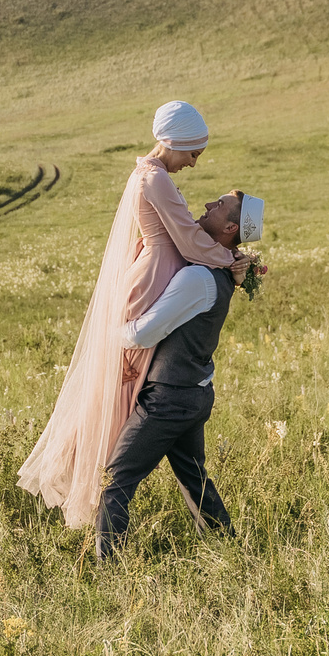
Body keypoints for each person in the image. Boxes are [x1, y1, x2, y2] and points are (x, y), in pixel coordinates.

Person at [18, 101, 242, 530]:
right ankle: (92, 472)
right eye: (193, 152)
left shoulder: (153, 175)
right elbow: (190, 243)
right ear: (173, 143)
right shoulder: (154, 179)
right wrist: (229, 260)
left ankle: (111, 482)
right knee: (128, 373)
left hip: (162, 269)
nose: (195, 163)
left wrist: (228, 256)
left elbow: (191, 240)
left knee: (134, 384)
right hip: (156, 271)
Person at [96, 191, 265, 562]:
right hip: (193, 393)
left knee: (116, 480)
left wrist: (105, 332)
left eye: (219, 206)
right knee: (194, 479)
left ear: (231, 227)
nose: (207, 206)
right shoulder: (218, 272)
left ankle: (106, 573)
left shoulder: (197, 278)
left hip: (169, 399)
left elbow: (142, 334)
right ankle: (231, 552)